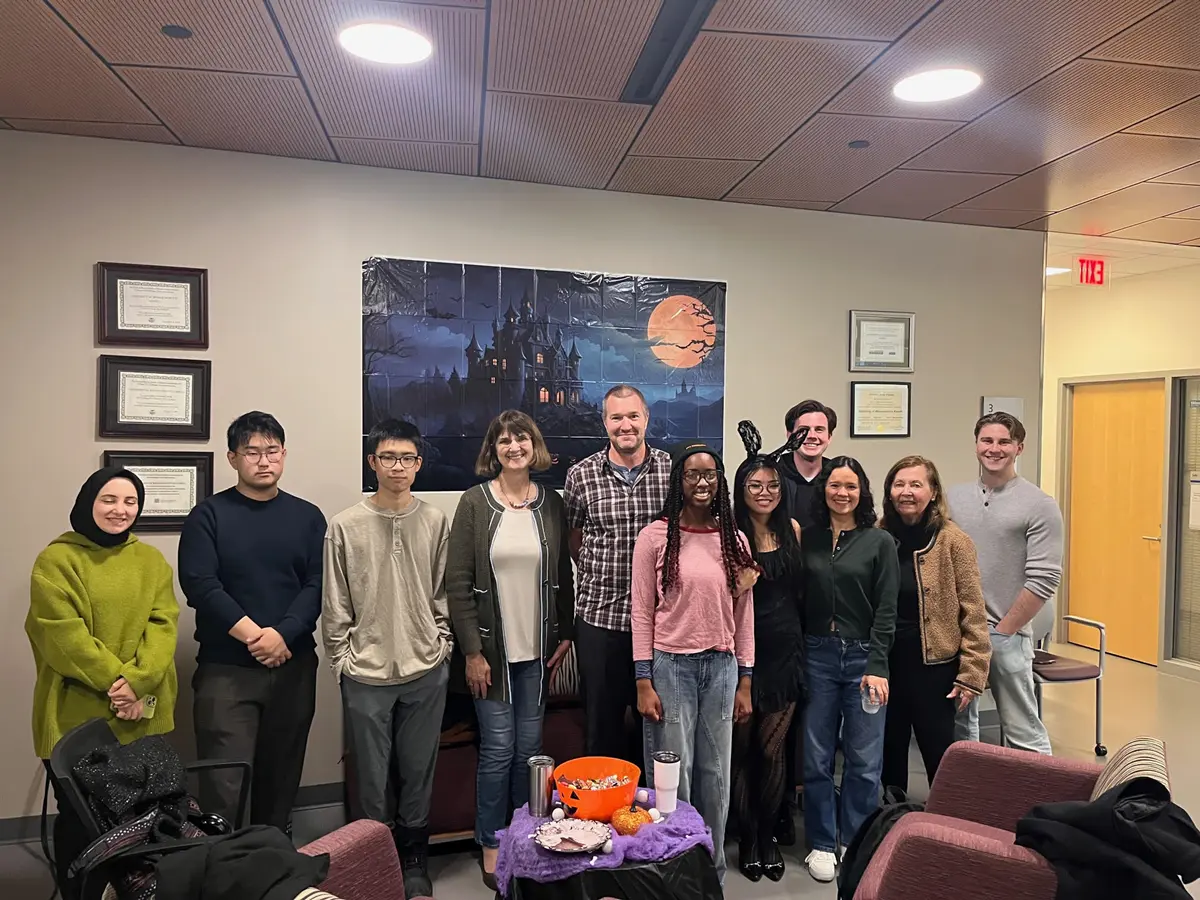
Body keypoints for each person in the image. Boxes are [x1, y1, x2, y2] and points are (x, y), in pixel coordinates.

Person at [26, 467, 179, 892]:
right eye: (109, 500)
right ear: (88, 502)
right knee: (81, 823)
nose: (120, 510)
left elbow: (164, 624)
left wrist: (140, 684)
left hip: (140, 714)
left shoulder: (151, 561)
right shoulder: (57, 560)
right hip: (77, 714)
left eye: (130, 501)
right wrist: (121, 683)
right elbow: (61, 635)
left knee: (139, 820)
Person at [178, 411, 326, 833]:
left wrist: (283, 633)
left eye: (272, 451)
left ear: (283, 454)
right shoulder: (209, 515)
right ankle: (230, 875)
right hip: (227, 672)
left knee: (281, 782)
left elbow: (318, 584)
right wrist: (255, 636)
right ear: (232, 458)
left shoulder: (307, 516)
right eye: (252, 452)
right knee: (226, 788)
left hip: (293, 666)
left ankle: (274, 869)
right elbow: (201, 586)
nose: (263, 460)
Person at [446, 410, 574, 890]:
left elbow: (562, 570)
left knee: (531, 751)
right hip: (491, 655)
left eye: (521, 438)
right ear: (493, 450)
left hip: (538, 651)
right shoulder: (475, 503)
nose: (514, 446)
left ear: (534, 445)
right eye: (504, 440)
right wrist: (472, 652)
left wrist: (565, 634)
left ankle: (528, 835)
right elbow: (457, 583)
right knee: (498, 749)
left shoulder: (551, 503)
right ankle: (492, 840)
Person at [323, 419, 450, 899]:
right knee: (372, 783)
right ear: (373, 462)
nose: (398, 467)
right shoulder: (345, 525)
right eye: (389, 458)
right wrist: (342, 661)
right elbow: (335, 605)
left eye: (408, 459)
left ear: (418, 465)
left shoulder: (435, 521)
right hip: (366, 673)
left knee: (418, 772)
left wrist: (442, 646)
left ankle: (414, 860)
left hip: (425, 668)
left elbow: (443, 593)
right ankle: (372, 865)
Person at [632, 441, 758, 883]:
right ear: (678, 481)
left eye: (709, 475)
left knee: (715, 775)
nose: (701, 482)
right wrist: (643, 679)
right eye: (692, 474)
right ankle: (672, 871)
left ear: (720, 481)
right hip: (671, 668)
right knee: (672, 775)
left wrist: (745, 678)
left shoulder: (734, 540)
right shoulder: (654, 537)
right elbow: (641, 612)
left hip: (721, 670)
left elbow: (744, 615)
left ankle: (711, 873)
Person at [801, 456, 898, 884]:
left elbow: (887, 609)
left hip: (864, 661)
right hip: (817, 656)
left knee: (863, 757)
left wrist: (878, 664)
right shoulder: (809, 539)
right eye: (835, 485)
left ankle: (854, 838)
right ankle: (822, 841)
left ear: (863, 492)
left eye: (851, 487)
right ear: (823, 490)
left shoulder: (879, 542)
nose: (843, 493)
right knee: (818, 754)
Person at [564, 385, 671, 763]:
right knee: (601, 732)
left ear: (646, 419)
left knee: (657, 730)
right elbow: (575, 540)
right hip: (600, 621)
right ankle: (601, 817)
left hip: (661, 624)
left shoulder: (670, 471)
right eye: (616, 418)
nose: (625, 425)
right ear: (604, 422)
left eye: (632, 416)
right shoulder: (581, 476)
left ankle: (651, 819)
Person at [948, 412, 1062, 755]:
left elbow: (1044, 578)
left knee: (1022, 728)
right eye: (987, 441)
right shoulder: (954, 499)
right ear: (976, 445)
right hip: (960, 633)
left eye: (1003, 442)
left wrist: (1005, 630)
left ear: (1019, 448)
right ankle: (969, 799)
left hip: (1006, 633)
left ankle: (1038, 801)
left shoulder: (1039, 505)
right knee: (961, 727)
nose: (994, 449)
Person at [879, 455, 990, 795]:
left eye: (916, 484)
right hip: (886, 665)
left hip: (935, 669)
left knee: (938, 754)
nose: (907, 492)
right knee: (888, 750)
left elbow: (974, 610)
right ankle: (892, 820)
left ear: (933, 491)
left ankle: (946, 825)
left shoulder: (953, 541)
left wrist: (972, 673)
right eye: (899, 484)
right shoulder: (878, 536)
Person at [730, 423, 806, 883]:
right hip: (740, 655)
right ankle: (744, 835)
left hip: (784, 653)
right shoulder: (729, 533)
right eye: (754, 485)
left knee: (772, 751)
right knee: (740, 752)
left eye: (772, 485)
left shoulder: (792, 528)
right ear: (741, 490)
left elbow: (800, 593)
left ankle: (766, 836)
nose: (764, 492)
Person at [775, 398, 837, 844]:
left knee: (817, 709)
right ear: (791, 434)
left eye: (819, 429)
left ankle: (810, 795)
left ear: (829, 435)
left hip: (823, 608)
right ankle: (776, 803)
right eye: (803, 429)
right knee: (780, 709)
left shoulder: (839, 478)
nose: (812, 436)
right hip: (779, 604)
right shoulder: (774, 476)